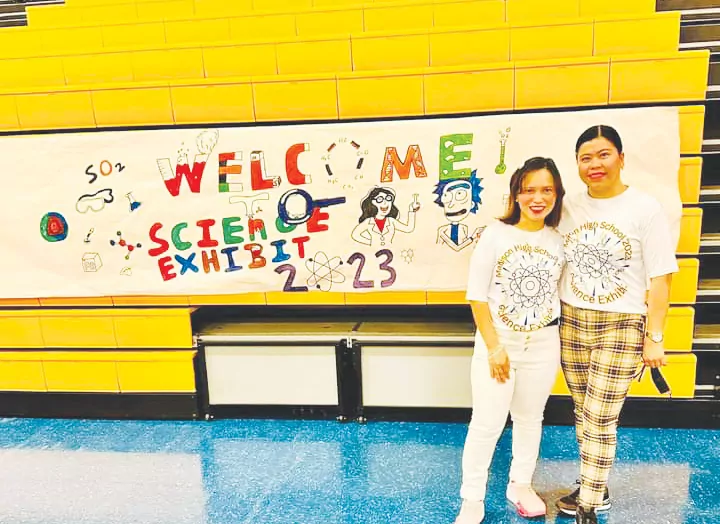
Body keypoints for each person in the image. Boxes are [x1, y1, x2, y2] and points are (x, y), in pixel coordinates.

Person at [556, 125, 679, 524]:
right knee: (583, 411)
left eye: (604, 154)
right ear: (577, 164)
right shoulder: (568, 206)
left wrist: (655, 337)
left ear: (621, 159)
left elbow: (661, 278)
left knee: (600, 416)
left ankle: (589, 504)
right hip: (572, 320)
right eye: (586, 157)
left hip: (622, 323)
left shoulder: (645, 208)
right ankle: (596, 483)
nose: (595, 164)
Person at [454, 157, 566, 524]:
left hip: (544, 343)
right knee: (487, 423)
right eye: (529, 190)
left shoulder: (558, 240)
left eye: (546, 190)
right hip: (499, 342)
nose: (538, 198)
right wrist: (495, 348)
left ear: (557, 195)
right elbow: (476, 296)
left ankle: (520, 484)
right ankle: (472, 498)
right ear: (516, 194)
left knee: (530, 418)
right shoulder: (496, 234)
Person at [351, 186, 420, 246]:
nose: (385, 202)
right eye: (379, 199)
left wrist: (412, 211)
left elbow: (408, 228)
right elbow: (355, 235)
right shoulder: (368, 222)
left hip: (390, 251)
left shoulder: (391, 221)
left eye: (388, 198)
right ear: (372, 202)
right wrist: (371, 242)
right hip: (373, 252)